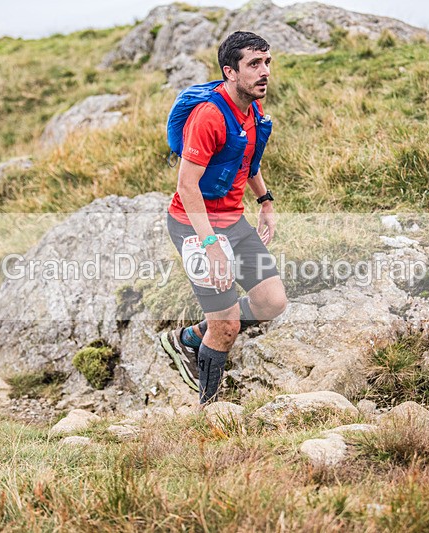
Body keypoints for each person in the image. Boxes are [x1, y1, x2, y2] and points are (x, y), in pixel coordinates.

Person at [161, 31, 287, 405]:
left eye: (267, 63)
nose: (264, 72)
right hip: (193, 226)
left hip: (233, 221)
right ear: (230, 72)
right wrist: (210, 244)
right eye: (254, 64)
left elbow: (246, 159)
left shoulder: (252, 109)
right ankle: (209, 410)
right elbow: (187, 186)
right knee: (227, 325)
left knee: (272, 302)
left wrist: (265, 199)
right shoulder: (208, 116)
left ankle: (189, 338)